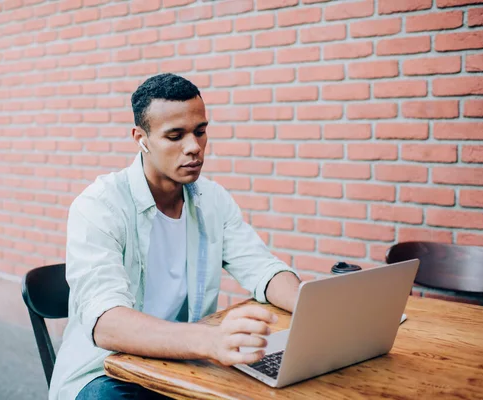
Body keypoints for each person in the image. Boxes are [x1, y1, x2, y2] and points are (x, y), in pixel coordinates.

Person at [49, 73, 302, 400]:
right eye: (175, 136)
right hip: (108, 371)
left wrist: (316, 308)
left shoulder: (212, 200)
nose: (194, 147)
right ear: (141, 138)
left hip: (186, 362)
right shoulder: (99, 206)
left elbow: (262, 269)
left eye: (200, 131)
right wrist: (210, 341)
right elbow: (106, 322)